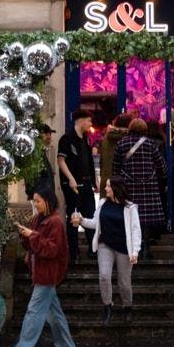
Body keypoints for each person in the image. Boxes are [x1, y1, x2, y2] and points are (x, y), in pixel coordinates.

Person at [5, 186, 77, 347]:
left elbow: (52, 249)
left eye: (38, 201)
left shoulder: (56, 222)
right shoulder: (38, 219)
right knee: (54, 314)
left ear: (47, 201)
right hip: (41, 272)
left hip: (48, 273)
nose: (35, 204)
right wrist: (26, 235)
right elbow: (34, 245)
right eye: (34, 201)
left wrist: (32, 235)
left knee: (34, 311)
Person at [72, 175, 140, 326]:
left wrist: (135, 252)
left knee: (124, 282)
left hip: (123, 248)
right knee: (104, 276)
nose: (105, 188)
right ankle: (107, 306)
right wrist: (82, 220)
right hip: (105, 245)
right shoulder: (102, 204)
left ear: (116, 188)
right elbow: (96, 224)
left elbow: (136, 231)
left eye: (108, 186)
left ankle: (127, 307)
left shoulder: (130, 208)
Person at [113, 118, 166, 259]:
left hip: (128, 187)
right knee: (146, 220)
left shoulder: (121, 143)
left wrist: (117, 185)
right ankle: (146, 248)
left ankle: (133, 248)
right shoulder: (150, 144)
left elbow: (115, 167)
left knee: (131, 218)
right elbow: (161, 166)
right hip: (148, 186)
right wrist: (160, 181)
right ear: (144, 129)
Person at [57, 110, 96, 262]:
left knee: (90, 215)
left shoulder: (86, 139)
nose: (91, 124)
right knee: (73, 217)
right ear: (81, 121)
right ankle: (74, 252)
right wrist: (71, 179)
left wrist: (94, 181)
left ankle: (93, 250)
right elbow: (61, 161)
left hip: (86, 183)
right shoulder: (66, 139)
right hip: (73, 184)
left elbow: (90, 161)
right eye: (89, 121)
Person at [24, 123, 57, 210]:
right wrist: (38, 195)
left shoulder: (40, 152)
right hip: (40, 197)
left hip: (42, 197)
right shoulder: (35, 152)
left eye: (50, 134)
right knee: (40, 222)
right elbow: (33, 177)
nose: (49, 136)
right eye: (46, 133)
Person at [98, 113, 132, 194]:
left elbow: (101, 160)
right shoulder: (129, 140)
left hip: (106, 182)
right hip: (122, 183)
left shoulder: (106, 138)